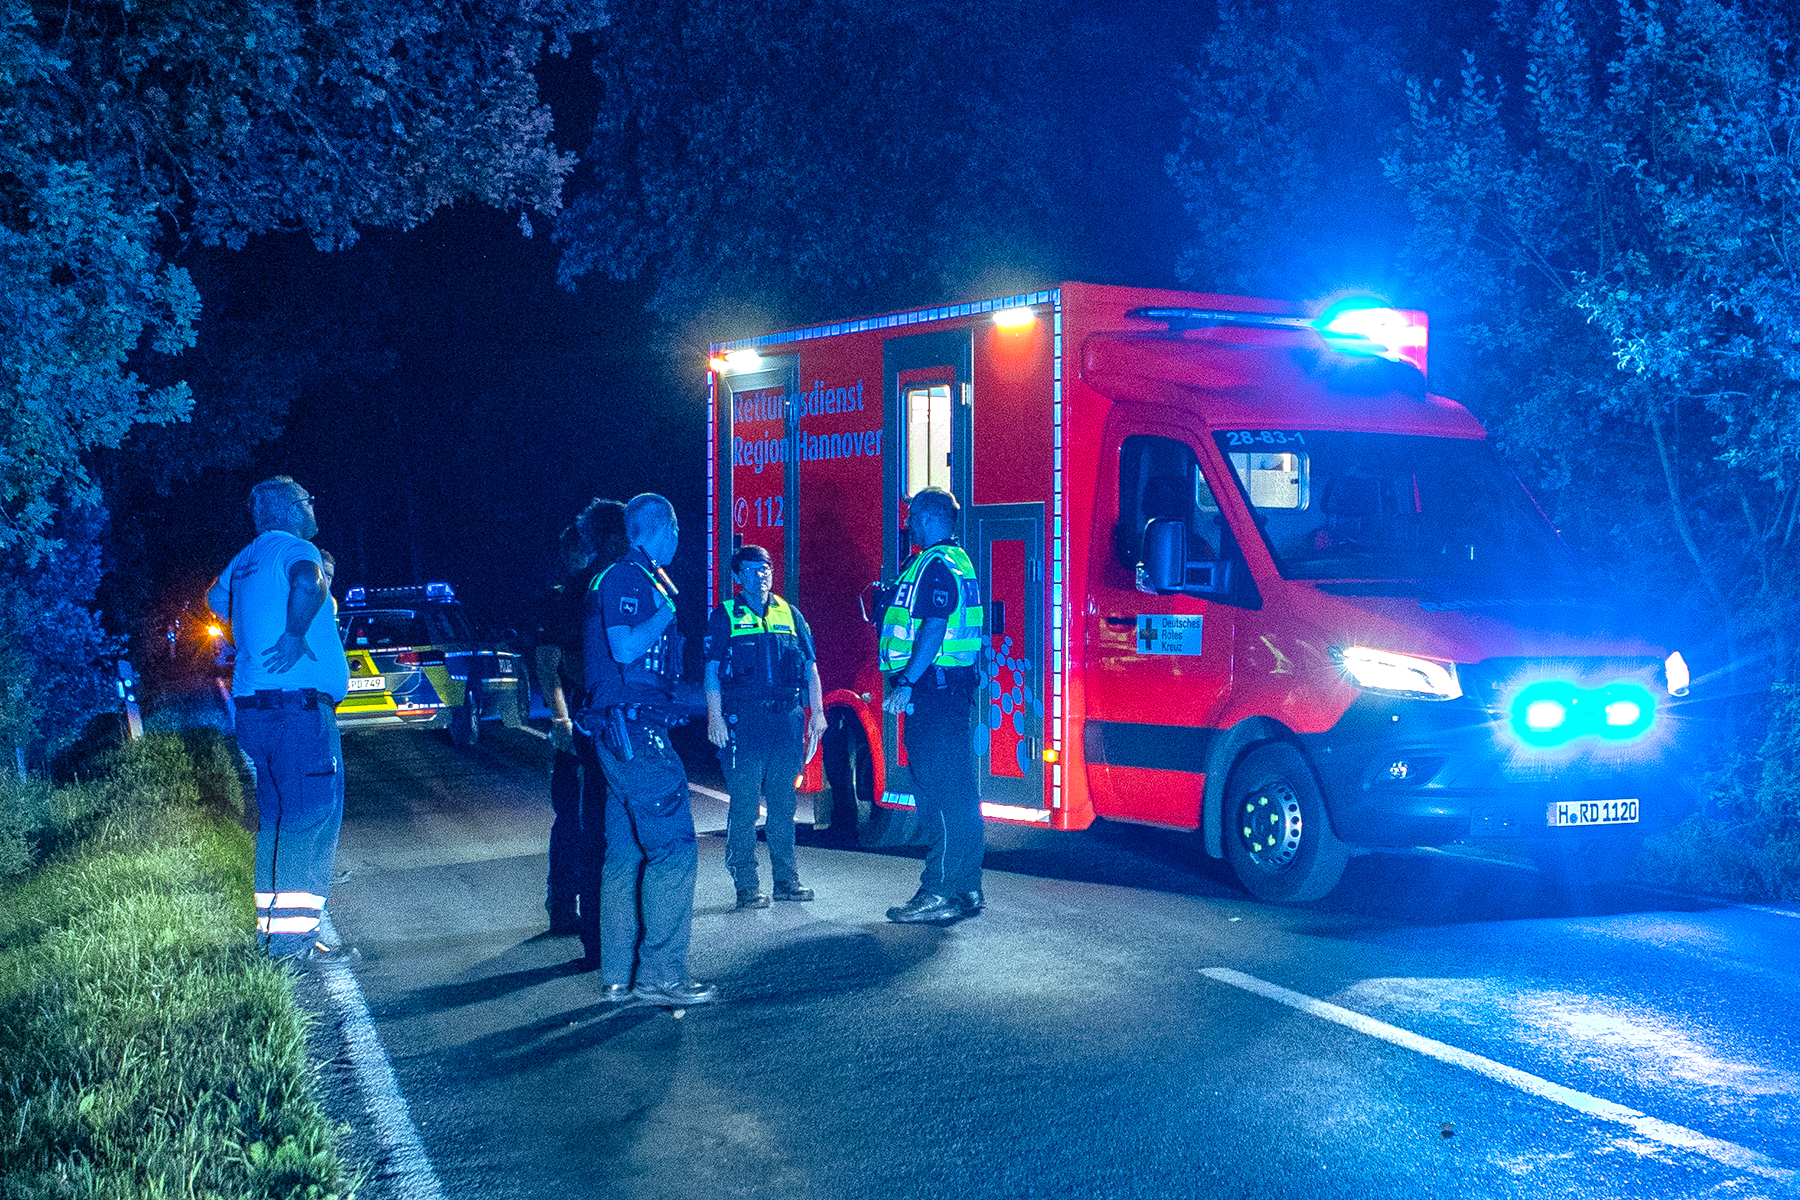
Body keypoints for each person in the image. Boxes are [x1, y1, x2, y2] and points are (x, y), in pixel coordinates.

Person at [206, 476, 356, 965]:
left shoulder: (245, 559)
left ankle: (275, 936)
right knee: (308, 821)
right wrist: (292, 633)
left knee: (276, 822)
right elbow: (307, 582)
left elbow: (215, 602)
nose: (313, 507)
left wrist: (255, 632)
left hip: (256, 711)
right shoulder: (296, 549)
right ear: (290, 509)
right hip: (297, 712)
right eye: (307, 500)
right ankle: (292, 946)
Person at [581, 494, 717, 1006]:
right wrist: (666, 612)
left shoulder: (635, 576)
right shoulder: (628, 577)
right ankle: (661, 976)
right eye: (676, 529)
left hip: (625, 732)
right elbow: (624, 648)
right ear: (660, 527)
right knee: (674, 849)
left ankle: (618, 978)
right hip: (636, 737)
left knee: (625, 854)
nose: (679, 539)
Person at [879, 486, 987, 924]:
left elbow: (933, 628)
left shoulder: (935, 564)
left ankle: (938, 890)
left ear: (926, 517)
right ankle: (965, 886)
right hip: (950, 691)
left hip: (933, 694)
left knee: (938, 794)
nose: (907, 524)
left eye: (911, 517)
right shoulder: (956, 561)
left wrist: (906, 682)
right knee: (959, 793)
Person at [703, 544, 827, 909]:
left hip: (785, 721)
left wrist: (817, 713)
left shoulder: (789, 613)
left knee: (783, 805)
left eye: (767, 569)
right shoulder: (725, 615)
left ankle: (786, 881)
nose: (762, 575)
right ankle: (746, 885)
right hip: (744, 722)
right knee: (744, 807)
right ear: (738, 577)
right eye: (753, 570)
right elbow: (711, 671)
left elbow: (810, 668)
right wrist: (715, 717)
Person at [534, 523, 599, 942]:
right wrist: (561, 721)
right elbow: (547, 663)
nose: (583, 560)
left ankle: (594, 903)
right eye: (579, 553)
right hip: (575, 719)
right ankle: (561, 903)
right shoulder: (561, 599)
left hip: (600, 718)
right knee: (572, 816)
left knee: (596, 816)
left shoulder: (600, 592)